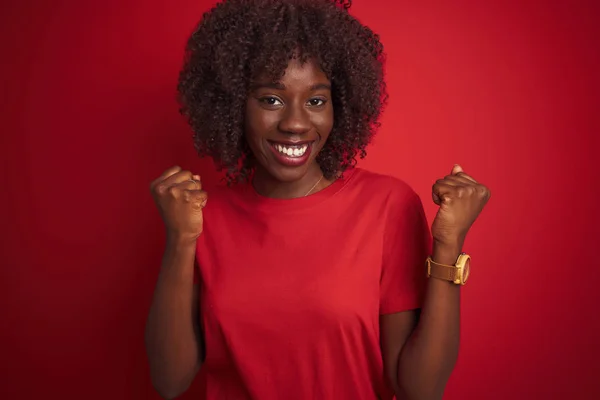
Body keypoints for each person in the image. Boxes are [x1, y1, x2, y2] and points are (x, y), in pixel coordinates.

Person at [145, 0, 491, 399]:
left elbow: (420, 390)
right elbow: (169, 381)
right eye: (271, 99)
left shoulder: (387, 206)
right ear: (234, 103)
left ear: (339, 106)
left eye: (315, 100)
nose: (295, 123)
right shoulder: (201, 217)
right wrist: (180, 240)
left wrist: (448, 248)